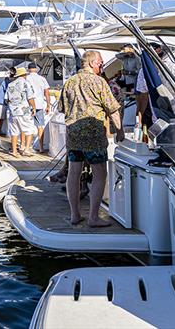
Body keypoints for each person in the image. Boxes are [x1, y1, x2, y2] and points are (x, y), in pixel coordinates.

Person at [59, 50, 124, 227]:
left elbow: (62, 109)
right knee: (99, 172)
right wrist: (120, 131)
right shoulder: (99, 82)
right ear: (93, 63)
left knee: (74, 172)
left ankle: (74, 215)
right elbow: (112, 109)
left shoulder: (69, 82)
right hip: (94, 135)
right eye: (101, 63)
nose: (102, 66)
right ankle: (93, 217)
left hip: (73, 135)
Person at [136, 42, 175, 124]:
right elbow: (143, 96)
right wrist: (139, 118)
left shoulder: (173, 68)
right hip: (160, 116)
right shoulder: (143, 72)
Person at [6, 67, 37, 157]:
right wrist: (34, 108)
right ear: (24, 75)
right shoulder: (26, 83)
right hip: (24, 111)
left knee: (14, 132)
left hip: (13, 111)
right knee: (29, 129)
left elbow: (7, 99)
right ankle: (26, 149)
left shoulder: (10, 85)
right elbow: (30, 97)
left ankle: (14, 151)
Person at [25, 63, 51, 153]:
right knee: (40, 126)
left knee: (27, 125)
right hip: (39, 104)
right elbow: (47, 93)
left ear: (28, 69)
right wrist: (48, 105)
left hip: (28, 105)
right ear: (36, 69)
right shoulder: (42, 79)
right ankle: (41, 147)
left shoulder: (26, 78)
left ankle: (25, 146)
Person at [0, 68, 15, 136]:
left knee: (2, 118)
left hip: (4, 102)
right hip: (0, 101)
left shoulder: (8, 81)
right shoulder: (7, 81)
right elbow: (7, 90)